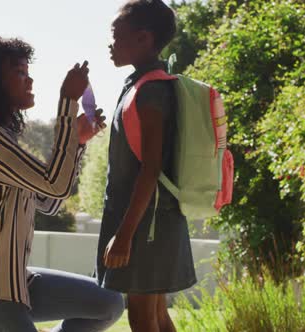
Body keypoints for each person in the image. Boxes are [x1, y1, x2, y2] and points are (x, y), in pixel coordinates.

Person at [0, 35, 124, 332]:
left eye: (28, 72)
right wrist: (67, 103)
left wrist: (77, 143)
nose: (29, 80)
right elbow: (54, 185)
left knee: (108, 302)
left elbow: (49, 201)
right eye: (19, 73)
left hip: (16, 285)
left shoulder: (1, 140)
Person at [96, 1, 197, 331]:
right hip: (151, 220)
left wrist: (124, 235)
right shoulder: (141, 84)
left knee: (142, 315)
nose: (110, 42)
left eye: (115, 34)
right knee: (155, 313)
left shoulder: (152, 90)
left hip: (145, 224)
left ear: (142, 38)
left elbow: (151, 168)